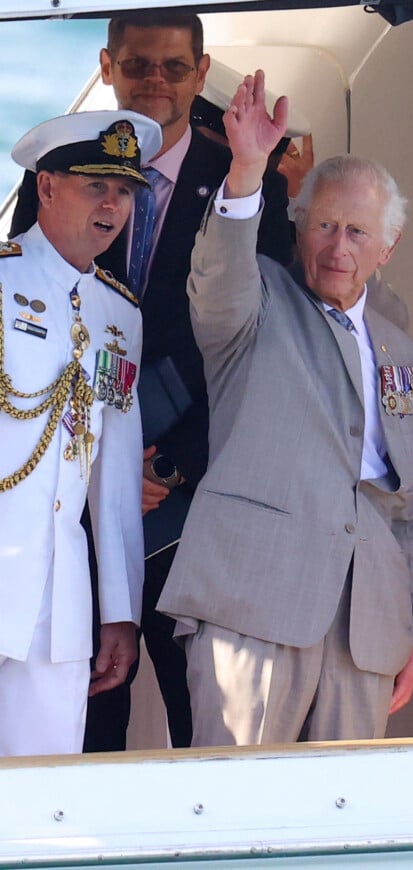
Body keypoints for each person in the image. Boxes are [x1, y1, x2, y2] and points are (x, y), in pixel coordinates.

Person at [10, 9, 294, 752]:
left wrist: (168, 466)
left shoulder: (236, 184)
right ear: (107, 67)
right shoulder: (34, 230)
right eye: (138, 64)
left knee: (175, 730)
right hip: (53, 532)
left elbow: (258, 349)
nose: (155, 81)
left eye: (174, 67)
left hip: (185, 509)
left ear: (200, 74)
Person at [158, 70, 413, 746]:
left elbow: (405, 506)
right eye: (326, 225)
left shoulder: (399, 343)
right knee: (234, 824)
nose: (339, 248)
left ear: (387, 247)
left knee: (339, 831)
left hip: (365, 630)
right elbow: (220, 273)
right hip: (255, 611)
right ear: (298, 225)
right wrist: (247, 168)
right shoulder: (255, 306)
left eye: (359, 233)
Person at [0, 109, 162, 756]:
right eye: (96, 185)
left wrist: (120, 611)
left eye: (124, 190)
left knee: (43, 797)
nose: (113, 204)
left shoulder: (120, 312)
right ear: (45, 186)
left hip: (59, 600)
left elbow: (116, 477)